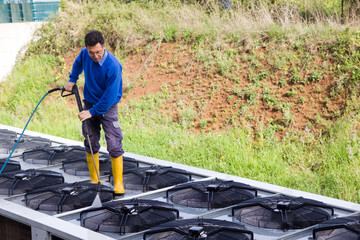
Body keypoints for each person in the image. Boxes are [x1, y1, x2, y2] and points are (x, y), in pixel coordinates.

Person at [64, 30, 125, 196]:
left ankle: (118, 184)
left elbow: (110, 96)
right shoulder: (85, 54)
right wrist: (72, 79)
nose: (95, 56)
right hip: (90, 101)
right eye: (92, 53)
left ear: (104, 47)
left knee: (114, 143)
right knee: (90, 139)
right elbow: (77, 64)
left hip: (108, 106)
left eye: (98, 52)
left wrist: (91, 112)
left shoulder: (113, 65)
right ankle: (94, 180)